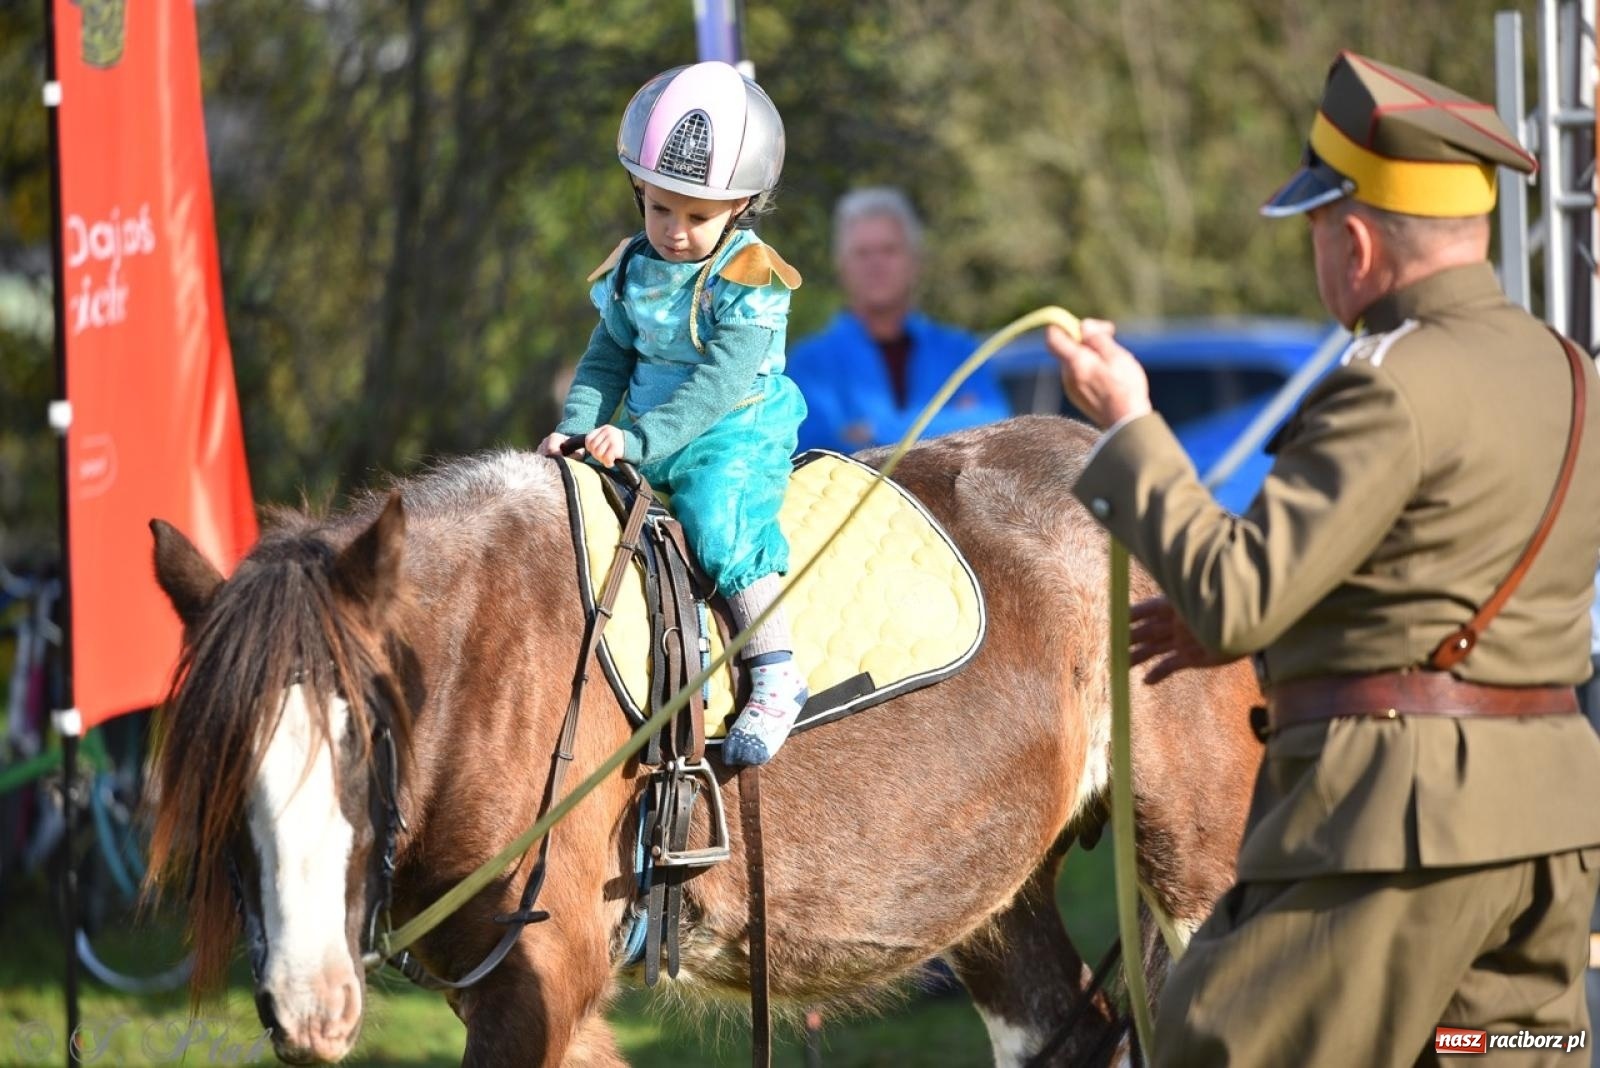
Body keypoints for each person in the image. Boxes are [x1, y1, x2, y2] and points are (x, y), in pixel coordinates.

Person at [1048, 52, 1600, 1066]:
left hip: (1394, 829)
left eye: (1313, 229)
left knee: (1220, 1043)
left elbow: (1232, 593)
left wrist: (1128, 425)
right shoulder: (1567, 370)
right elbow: (1441, 583)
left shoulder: (1385, 384)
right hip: (1546, 829)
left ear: (1351, 238)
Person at [537, 60, 808, 766]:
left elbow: (720, 382)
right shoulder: (631, 267)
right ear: (639, 194)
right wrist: (577, 424)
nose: (675, 230)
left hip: (735, 424)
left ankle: (777, 669)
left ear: (740, 209)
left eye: (697, 216)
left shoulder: (748, 277)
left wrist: (637, 437)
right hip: (646, 432)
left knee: (718, 518)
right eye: (660, 208)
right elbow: (606, 359)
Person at [787, 187, 1010, 453]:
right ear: (841, 266)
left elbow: (995, 430)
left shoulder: (960, 352)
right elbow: (817, 450)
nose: (876, 264)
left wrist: (874, 430)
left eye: (889, 250)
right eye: (862, 253)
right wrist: (950, 427)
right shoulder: (809, 363)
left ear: (915, 261)